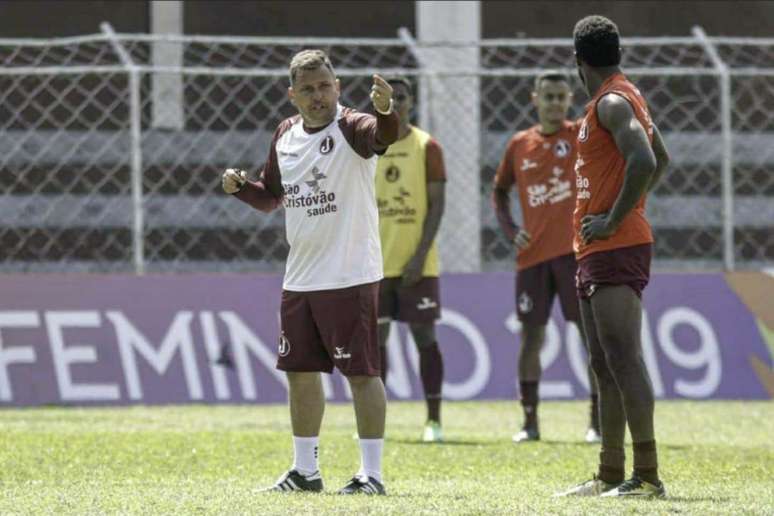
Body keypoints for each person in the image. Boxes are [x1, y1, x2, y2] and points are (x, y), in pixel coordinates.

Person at [222, 49, 398, 496]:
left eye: (324, 86)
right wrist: (243, 188)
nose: (318, 96)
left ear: (337, 87)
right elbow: (270, 198)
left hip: (349, 274)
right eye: (308, 89)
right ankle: (305, 471)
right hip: (299, 277)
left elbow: (382, 137)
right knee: (300, 372)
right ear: (292, 95)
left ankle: (372, 475)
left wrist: (385, 110)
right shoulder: (285, 135)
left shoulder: (353, 126)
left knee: (361, 374)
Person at [555, 15, 670, 498]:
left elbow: (644, 161)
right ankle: (609, 472)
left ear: (577, 60)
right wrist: (623, 210)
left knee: (623, 358)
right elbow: (661, 159)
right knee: (602, 362)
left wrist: (616, 217)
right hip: (597, 247)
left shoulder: (613, 101)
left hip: (615, 244)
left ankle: (646, 477)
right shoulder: (623, 97)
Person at [493, 71, 601, 444]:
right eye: (548, 96)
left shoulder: (580, 136)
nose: (555, 103)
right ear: (534, 99)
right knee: (531, 339)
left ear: (569, 98)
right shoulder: (520, 144)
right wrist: (511, 232)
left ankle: (597, 421)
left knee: (589, 336)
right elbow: (499, 192)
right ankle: (529, 422)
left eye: (560, 96)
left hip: (575, 256)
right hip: (533, 258)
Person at [375, 77, 446, 442]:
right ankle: (377, 423)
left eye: (401, 97)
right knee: (377, 341)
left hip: (417, 264)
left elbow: (437, 206)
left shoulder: (426, 146)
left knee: (424, 337)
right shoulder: (367, 147)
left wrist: (419, 256)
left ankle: (433, 420)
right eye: (388, 98)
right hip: (375, 264)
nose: (396, 104)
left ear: (411, 102)